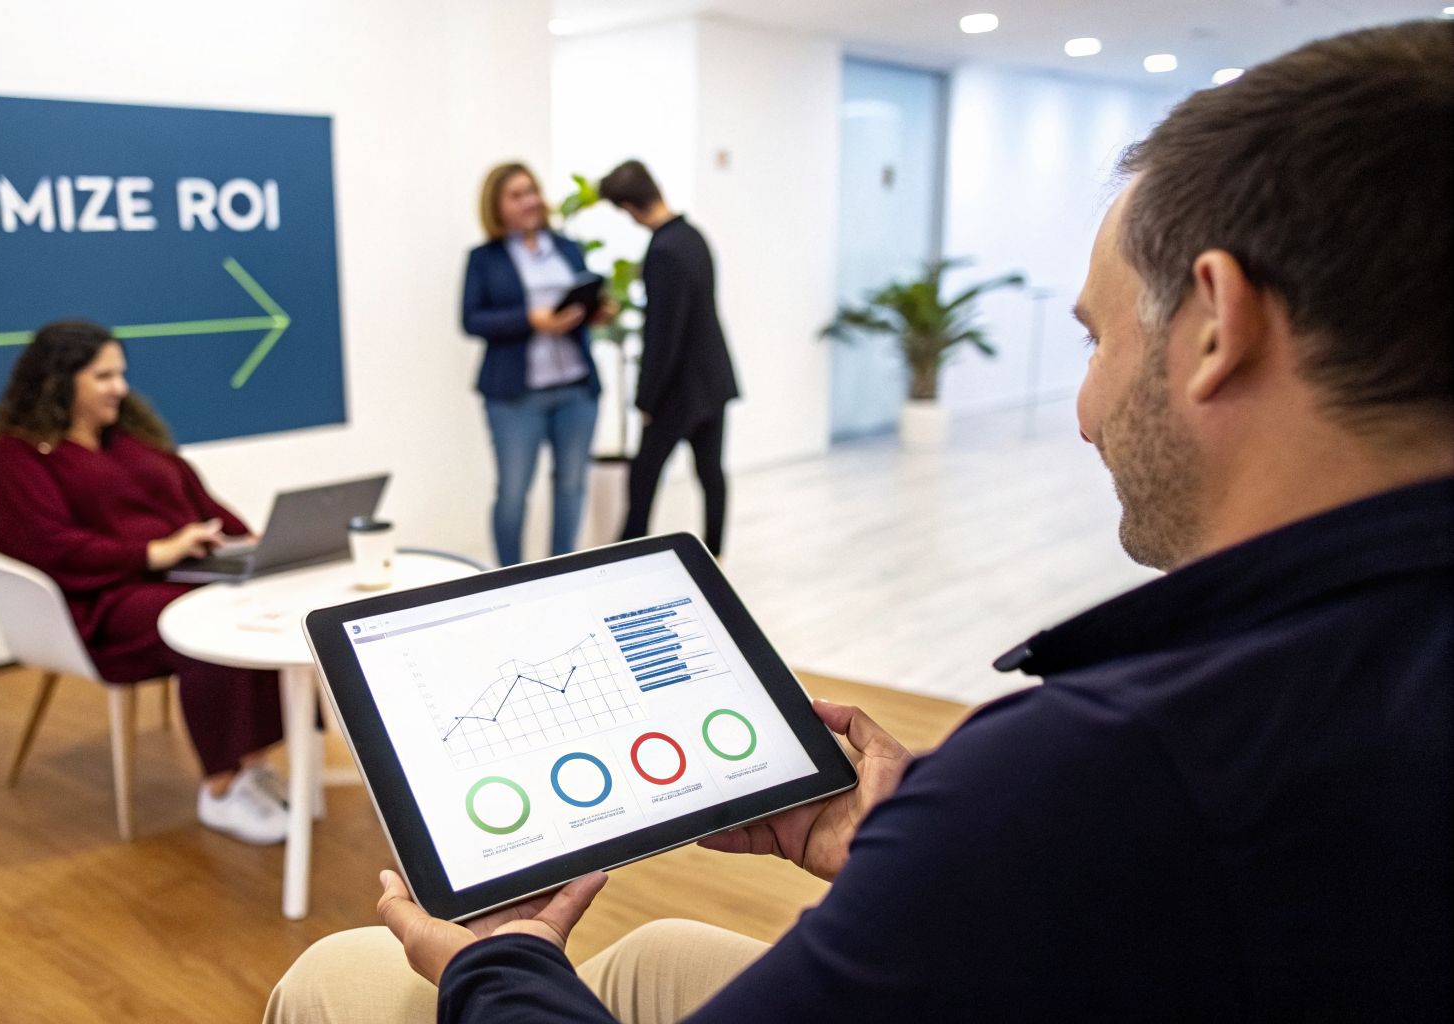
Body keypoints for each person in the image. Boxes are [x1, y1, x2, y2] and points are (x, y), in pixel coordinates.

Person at [267, 20, 1452, 1020]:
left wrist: (498, 962)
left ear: (1215, 324)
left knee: (338, 977)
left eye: (1093, 339)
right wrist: (924, 840)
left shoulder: (1104, 773)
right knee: (659, 946)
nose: (1083, 411)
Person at [0, 320, 289, 845]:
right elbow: (49, 546)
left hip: (175, 577)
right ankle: (219, 789)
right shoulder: (13, 460)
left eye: (120, 374)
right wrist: (152, 552)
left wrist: (246, 540)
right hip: (96, 602)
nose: (119, 388)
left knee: (260, 608)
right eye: (103, 376)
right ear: (58, 379)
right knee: (208, 628)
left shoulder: (128, 441)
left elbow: (197, 502)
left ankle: (252, 765)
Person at [461, 163, 605, 567]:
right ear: (496, 206)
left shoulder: (567, 248)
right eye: (516, 195)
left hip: (576, 389)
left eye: (532, 191)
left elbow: (582, 299)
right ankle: (508, 578)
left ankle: (562, 573)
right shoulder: (483, 259)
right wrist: (530, 319)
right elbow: (471, 320)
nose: (529, 201)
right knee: (512, 493)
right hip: (514, 395)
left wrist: (594, 311)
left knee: (572, 486)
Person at [600, 160, 738, 557]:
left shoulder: (662, 250)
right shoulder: (693, 236)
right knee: (710, 473)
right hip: (713, 378)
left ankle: (627, 556)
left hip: (678, 390)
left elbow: (663, 333)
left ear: (627, 206)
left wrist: (647, 399)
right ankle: (715, 554)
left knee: (643, 477)